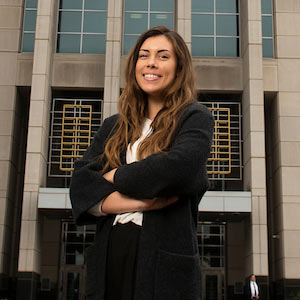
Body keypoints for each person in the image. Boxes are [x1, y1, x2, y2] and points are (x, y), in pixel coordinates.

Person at [70, 26, 214, 300]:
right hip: (111, 254)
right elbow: (80, 186)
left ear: (179, 66)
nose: (151, 63)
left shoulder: (195, 117)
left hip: (163, 262)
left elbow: (179, 169)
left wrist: (113, 177)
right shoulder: (114, 126)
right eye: (144, 55)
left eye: (163, 56)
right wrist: (142, 201)